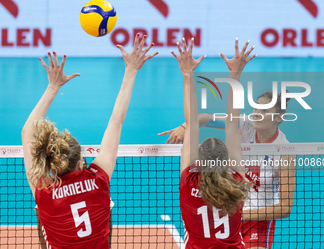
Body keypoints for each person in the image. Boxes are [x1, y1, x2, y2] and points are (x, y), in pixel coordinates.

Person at [21, 33, 157, 249]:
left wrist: (53, 87)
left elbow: (28, 131)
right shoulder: (98, 180)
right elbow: (116, 122)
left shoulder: (44, 191)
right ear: (81, 163)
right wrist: (131, 71)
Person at [159, 60, 295, 249]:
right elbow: (204, 118)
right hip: (227, 207)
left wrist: (242, 213)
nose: (256, 113)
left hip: (255, 221)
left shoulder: (285, 152)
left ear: (279, 118)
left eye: (264, 111)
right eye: (256, 108)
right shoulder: (245, 125)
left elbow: (285, 208)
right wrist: (185, 127)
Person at [174, 37, 254, 248]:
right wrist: (235, 74)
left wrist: (187, 75)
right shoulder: (236, 182)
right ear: (227, 159)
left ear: (198, 161)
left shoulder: (189, 183)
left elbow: (192, 123)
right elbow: (231, 125)